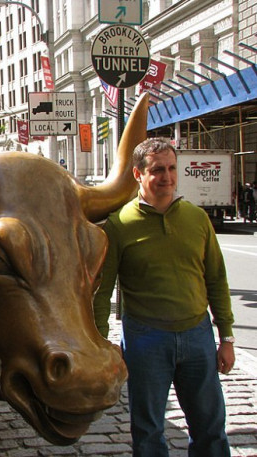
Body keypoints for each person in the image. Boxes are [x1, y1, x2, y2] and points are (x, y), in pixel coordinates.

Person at [93, 138, 235, 457]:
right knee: (148, 432)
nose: (167, 176)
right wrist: (102, 344)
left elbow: (216, 279)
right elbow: (103, 289)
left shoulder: (197, 219)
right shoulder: (119, 225)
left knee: (211, 427)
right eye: (157, 169)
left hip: (197, 336)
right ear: (138, 174)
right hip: (146, 341)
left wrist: (226, 336)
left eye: (172, 168)